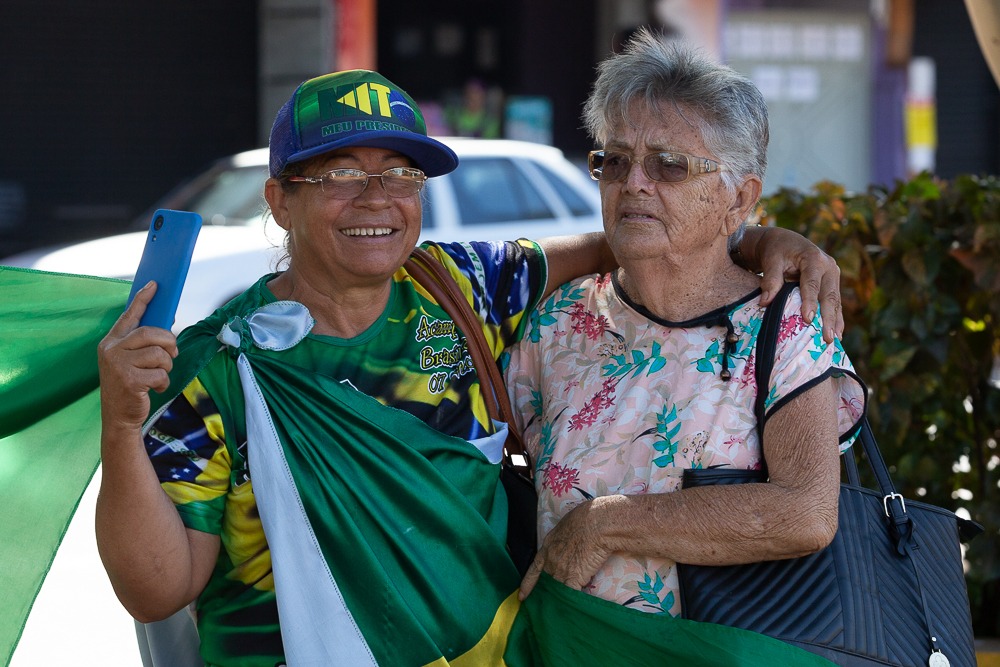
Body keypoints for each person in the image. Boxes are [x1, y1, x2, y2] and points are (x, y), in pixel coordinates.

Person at [96, 67, 844, 666]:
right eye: (339, 175)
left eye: (400, 174)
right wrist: (120, 430)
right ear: (280, 200)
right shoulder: (221, 362)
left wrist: (755, 238)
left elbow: (634, 237)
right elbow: (158, 589)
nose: (377, 199)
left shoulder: (461, 291)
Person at [503, 30, 866, 664]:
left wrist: (603, 523)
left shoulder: (784, 327)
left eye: (669, 164)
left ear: (739, 197)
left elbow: (805, 513)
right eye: (614, 161)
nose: (634, 183)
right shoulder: (555, 325)